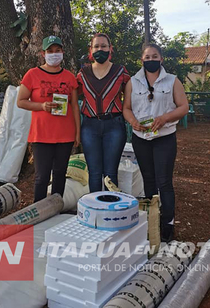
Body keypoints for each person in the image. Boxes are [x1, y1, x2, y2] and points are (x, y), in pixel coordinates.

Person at [123, 43, 189, 242]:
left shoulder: (172, 81)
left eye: (154, 57)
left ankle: (167, 223)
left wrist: (165, 118)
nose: (150, 60)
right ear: (141, 60)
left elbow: (184, 106)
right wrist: (133, 121)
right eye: (147, 57)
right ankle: (152, 219)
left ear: (161, 59)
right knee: (148, 180)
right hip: (141, 139)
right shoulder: (133, 82)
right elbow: (126, 108)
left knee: (164, 181)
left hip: (164, 139)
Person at [17, 35, 80, 203]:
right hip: (41, 134)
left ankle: (56, 208)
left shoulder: (69, 77)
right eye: (50, 51)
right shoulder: (32, 74)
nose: (54, 54)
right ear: (43, 53)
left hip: (65, 134)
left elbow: (74, 106)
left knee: (60, 175)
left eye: (57, 51)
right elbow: (20, 101)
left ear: (62, 52)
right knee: (42, 177)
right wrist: (41, 106)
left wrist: (77, 133)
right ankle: (39, 212)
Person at [77, 33, 131, 192]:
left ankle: (110, 211)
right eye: (96, 46)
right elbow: (71, 98)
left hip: (114, 125)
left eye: (104, 46)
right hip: (89, 126)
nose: (100, 49)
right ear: (91, 50)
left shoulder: (121, 72)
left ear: (110, 49)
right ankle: (95, 212)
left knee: (110, 174)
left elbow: (130, 100)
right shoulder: (82, 74)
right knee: (94, 173)